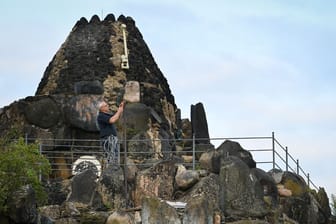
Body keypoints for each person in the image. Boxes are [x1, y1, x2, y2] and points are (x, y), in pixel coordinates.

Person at [97, 100, 125, 165]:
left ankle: (114, 169)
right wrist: (119, 111)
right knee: (111, 155)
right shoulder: (101, 116)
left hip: (111, 138)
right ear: (101, 108)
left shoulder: (106, 115)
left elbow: (115, 118)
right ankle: (112, 170)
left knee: (114, 155)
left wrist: (120, 110)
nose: (108, 106)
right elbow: (112, 120)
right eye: (106, 106)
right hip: (108, 139)